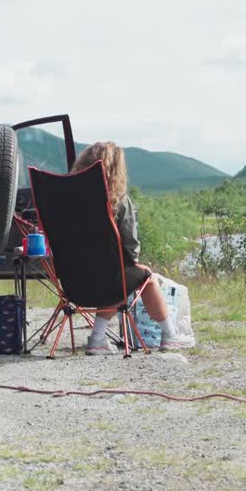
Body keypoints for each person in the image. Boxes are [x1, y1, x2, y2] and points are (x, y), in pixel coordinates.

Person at [72, 141, 180, 355]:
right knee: (143, 277)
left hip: (72, 283)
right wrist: (133, 263)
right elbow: (131, 249)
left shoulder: (67, 202)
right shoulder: (119, 201)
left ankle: (98, 339)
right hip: (107, 282)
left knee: (117, 275)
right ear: (115, 169)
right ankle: (169, 336)